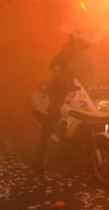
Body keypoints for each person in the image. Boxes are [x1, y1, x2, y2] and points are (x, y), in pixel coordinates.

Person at [33, 34, 89, 173]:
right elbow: (54, 74)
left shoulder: (83, 58)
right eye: (80, 43)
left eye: (83, 44)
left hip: (78, 94)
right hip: (60, 94)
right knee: (50, 122)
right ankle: (38, 160)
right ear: (74, 43)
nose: (82, 46)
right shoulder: (63, 56)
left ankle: (69, 152)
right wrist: (57, 87)